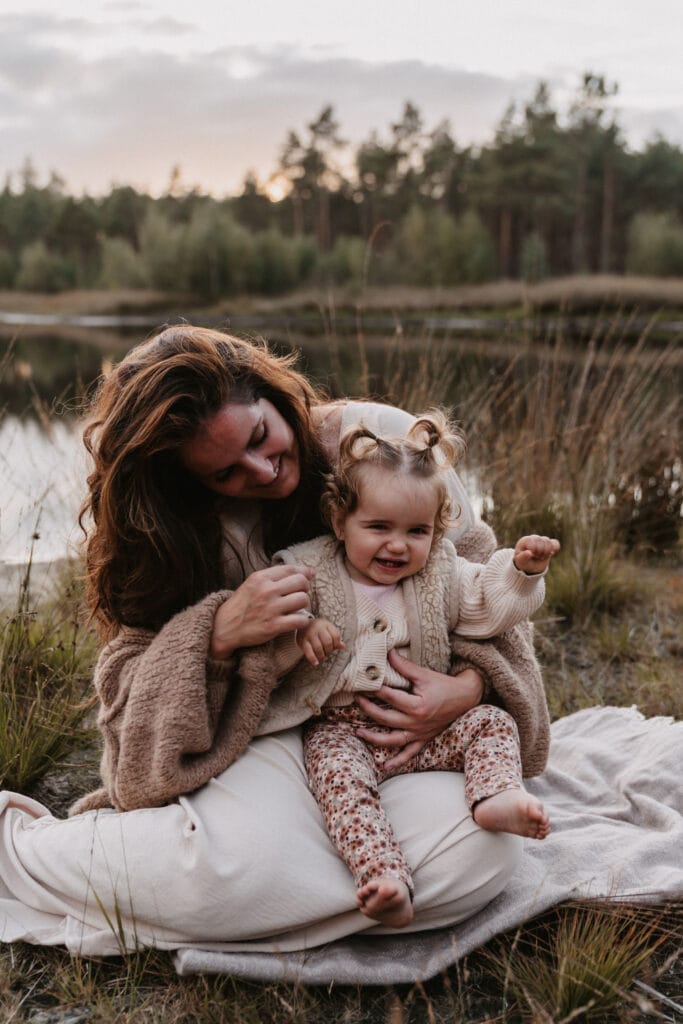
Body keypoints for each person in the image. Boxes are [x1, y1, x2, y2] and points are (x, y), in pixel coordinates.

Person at [0, 326, 551, 954]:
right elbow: (130, 708)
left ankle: (292, 895)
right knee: (235, 869)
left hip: (410, 741)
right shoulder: (179, 532)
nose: (263, 471)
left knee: (484, 857)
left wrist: (468, 688)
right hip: (278, 735)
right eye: (226, 473)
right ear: (188, 480)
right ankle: (23, 852)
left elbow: (483, 597)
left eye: (261, 437)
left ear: (272, 392)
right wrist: (216, 633)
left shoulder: (385, 445)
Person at [247, 413, 557, 929]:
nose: (397, 545)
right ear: (339, 522)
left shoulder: (440, 572)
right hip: (343, 729)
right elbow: (268, 617)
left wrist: (522, 572)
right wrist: (301, 630)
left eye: (417, 531)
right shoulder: (309, 568)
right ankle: (384, 876)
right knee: (343, 790)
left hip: (427, 730)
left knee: (490, 723)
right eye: (378, 528)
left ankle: (495, 794)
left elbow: (487, 605)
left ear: (436, 533)